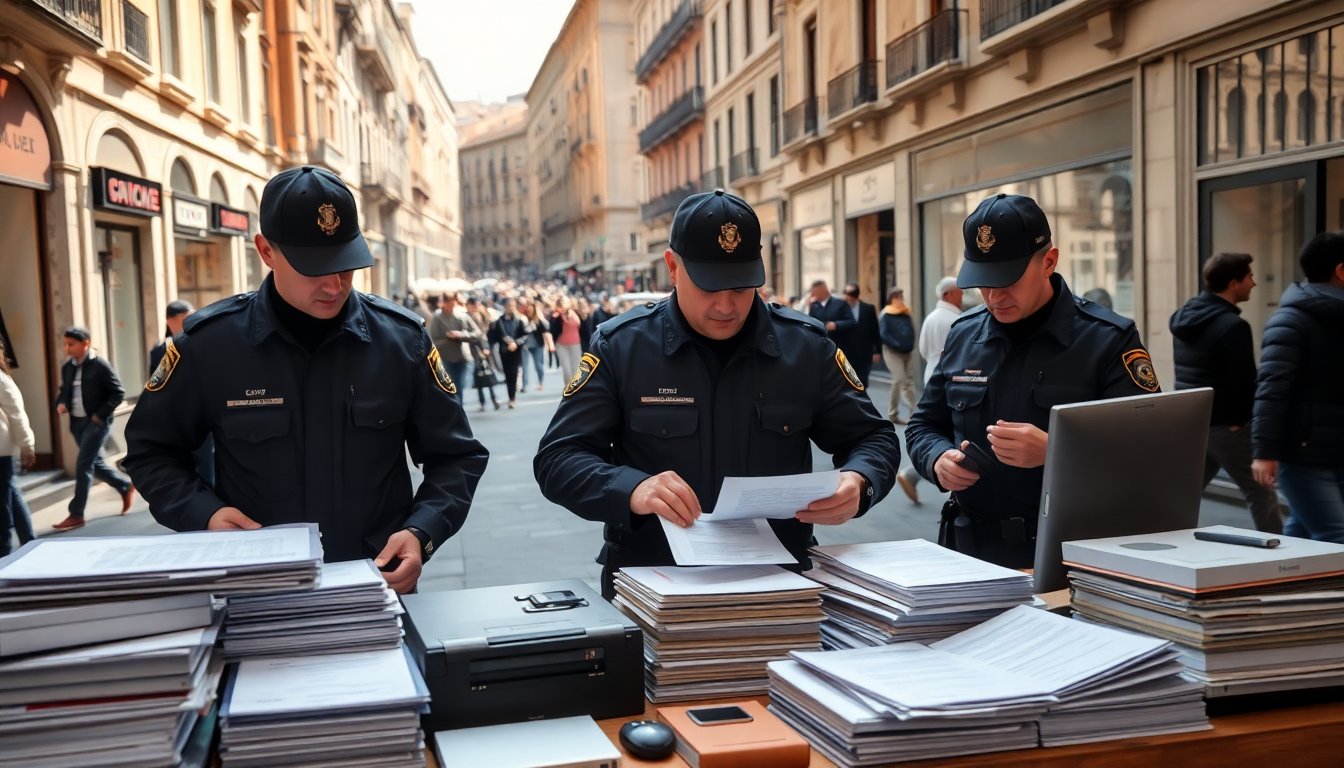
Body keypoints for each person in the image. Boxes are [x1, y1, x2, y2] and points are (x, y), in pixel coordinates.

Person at [124, 165, 489, 593]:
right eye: (314, 268)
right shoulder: (211, 345)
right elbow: (151, 452)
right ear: (266, 251)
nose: (335, 285)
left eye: (346, 266)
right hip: (259, 588)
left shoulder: (401, 341)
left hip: (377, 586)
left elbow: (457, 457)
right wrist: (203, 514)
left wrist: (421, 531)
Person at [534, 190, 900, 599]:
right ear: (673, 268)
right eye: (709, 287)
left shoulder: (805, 347)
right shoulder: (621, 346)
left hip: (779, 586)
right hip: (653, 584)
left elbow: (874, 438)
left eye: (741, 286)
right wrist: (630, 488)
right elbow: (558, 459)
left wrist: (860, 481)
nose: (726, 306)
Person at [905, 193, 1160, 568]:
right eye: (983, 283)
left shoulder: (1107, 340)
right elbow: (923, 425)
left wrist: (1058, 451)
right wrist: (938, 459)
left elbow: (1151, 451)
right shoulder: (964, 333)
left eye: (1007, 280)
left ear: (1049, 261)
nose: (994, 297)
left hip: (1067, 554)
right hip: (968, 549)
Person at [1170, 252, 1286, 534]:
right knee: (1260, 492)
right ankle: (1277, 553)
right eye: (1249, 277)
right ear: (1234, 283)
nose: (1254, 283)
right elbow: (1245, 381)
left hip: (1193, 421)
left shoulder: (1183, 317)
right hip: (1227, 427)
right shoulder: (1233, 326)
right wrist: (1243, 420)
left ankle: (1161, 539)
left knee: (1183, 494)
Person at [1252, 231, 1344, 542]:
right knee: (1336, 536)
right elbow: (1272, 390)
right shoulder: (1290, 321)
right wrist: (1264, 452)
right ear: (1341, 270)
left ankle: (1280, 573)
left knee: (1301, 535)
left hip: (1335, 449)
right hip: (1303, 455)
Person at [53, 327, 135, 532]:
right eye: (65, 344)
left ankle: (76, 514)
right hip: (77, 424)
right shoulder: (68, 367)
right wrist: (61, 403)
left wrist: (99, 415)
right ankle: (124, 485)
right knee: (94, 464)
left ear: (85, 344)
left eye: (71, 344)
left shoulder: (100, 365)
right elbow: (64, 391)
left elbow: (118, 393)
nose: (67, 348)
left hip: (96, 423)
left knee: (83, 465)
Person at [896, 276, 964, 504]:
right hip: (954, 379)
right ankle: (916, 473)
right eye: (959, 292)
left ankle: (914, 473)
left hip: (932, 374)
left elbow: (923, 350)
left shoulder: (931, 317)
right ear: (948, 294)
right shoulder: (957, 320)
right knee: (951, 430)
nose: (962, 296)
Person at [148, 300, 215, 487]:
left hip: (202, 419)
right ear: (171, 321)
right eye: (187, 317)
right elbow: (157, 387)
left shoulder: (203, 343)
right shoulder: (164, 350)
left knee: (207, 471)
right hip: (174, 422)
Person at [0, 339, 36, 555]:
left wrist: (27, 445)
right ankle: (30, 543)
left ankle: (4, 551)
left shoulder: (2, 379)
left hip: (1, 451)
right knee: (10, 494)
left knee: (3, 501)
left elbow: (17, 414)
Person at [428, 292, 484, 402]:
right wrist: (449, 338)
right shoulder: (437, 318)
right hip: (447, 357)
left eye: (453, 303)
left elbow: (477, 333)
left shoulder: (462, 316)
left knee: (460, 385)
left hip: (464, 357)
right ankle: (458, 406)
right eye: (449, 303)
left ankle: (458, 405)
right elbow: (435, 341)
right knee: (455, 385)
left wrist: (461, 335)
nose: (452, 305)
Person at [878, 287, 919, 424]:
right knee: (899, 378)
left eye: (902, 297)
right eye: (899, 297)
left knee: (909, 381)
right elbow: (884, 335)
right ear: (892, 298)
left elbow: (911, 331)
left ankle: (915, 415)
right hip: (892, 352)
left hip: (907, 351)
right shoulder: (886, 314)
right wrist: (898, 344)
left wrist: (910, 345)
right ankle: (893, 413)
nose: (902, 299)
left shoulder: (906, 312)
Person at [836, 282, 881, 387]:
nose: (847, 297)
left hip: (864, 351)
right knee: (848, 380)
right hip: (846, 351)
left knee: (863, 380)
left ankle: (861, 395)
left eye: (849, 294)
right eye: (845, 293)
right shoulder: (839, 309)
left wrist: (877, 351)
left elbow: (875, 330)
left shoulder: (868, 309)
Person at [489, 297, 527, 408]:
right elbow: (494, 337)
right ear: (505, 307)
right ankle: (511, 397)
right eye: (509, 306)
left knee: (514, 374)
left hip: (516, 351)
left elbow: (524, 336)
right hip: (504, 351)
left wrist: (516, 343)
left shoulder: (519, 320)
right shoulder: (498, 321)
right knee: (508, 374)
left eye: (513, 306)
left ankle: (512, 398)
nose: (511, 308)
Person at [518, 298, 553, 392]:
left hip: (537, 345)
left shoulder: (538, 320)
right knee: (525, 366)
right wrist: (528, 328)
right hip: (525, 346)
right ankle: (525, 386)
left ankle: (541, 382)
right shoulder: (523, 319)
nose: (529, 312)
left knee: (538, 365)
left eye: (531, 310)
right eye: (528, 310)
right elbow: (520, 331)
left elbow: (546, 328)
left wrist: (540, 318)